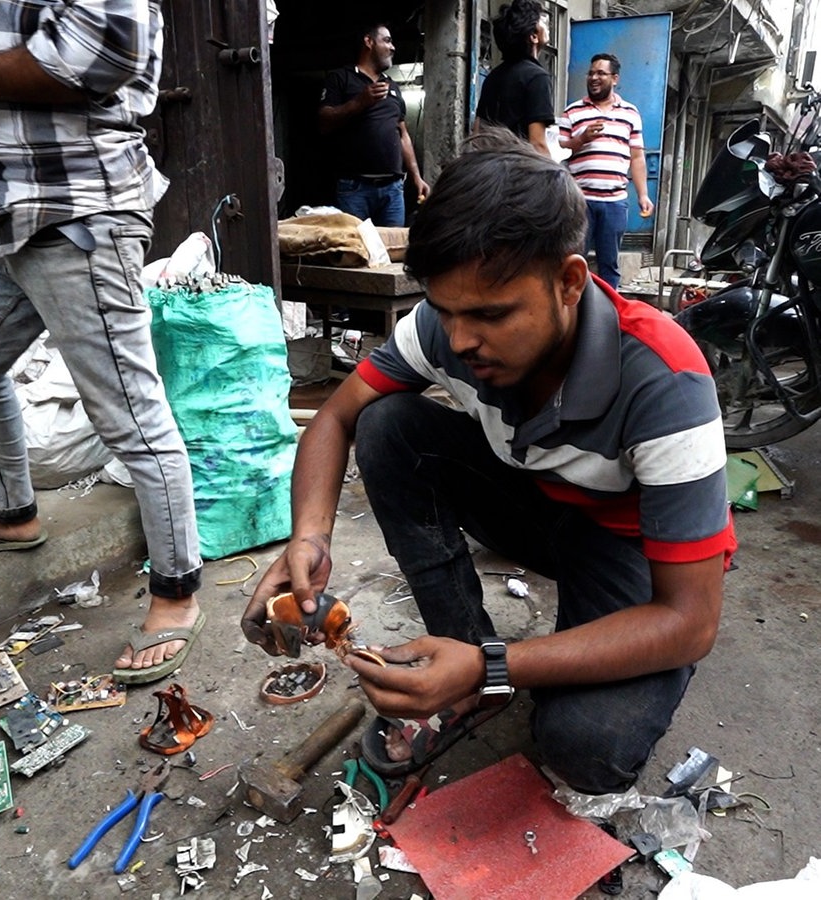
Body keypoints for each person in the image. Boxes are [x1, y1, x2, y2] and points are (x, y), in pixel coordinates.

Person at [242, 128, 736, 794]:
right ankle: (468, 668)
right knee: (388, 424)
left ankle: (481, 668)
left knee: (585, 748)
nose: (461, 340)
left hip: (626, 548)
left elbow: (691, 620)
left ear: (568, 282)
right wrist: (308, 536)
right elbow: (335, 415)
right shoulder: (449, 326)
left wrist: (493, 663)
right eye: (445, 311)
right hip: (537, 505)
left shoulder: (664, 381)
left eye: (491, 315)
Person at [0, 1, 204, 685]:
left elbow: (106, 46)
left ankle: (178, 588)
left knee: (130, 414)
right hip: (16, 208)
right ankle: (12, 514)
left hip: (81, 211)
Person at [318, 22, 430, 226]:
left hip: (393, 190)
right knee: (357, 252)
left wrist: (416, 177)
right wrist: (359, 102)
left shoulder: (393, 86)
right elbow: (324, 122)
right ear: (368, 42)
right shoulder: (341, 78)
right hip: (354, 189)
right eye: (387, 40)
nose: (393, 47)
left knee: (392, 251)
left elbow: (402, 134)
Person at [559, 53, 654, 290]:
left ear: (614, 78)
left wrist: (643, 195)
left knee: (609, 264)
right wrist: (581, 139)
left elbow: (637, 156)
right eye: (591, 73)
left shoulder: (630, 113)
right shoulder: (572, 112)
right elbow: (557, 150)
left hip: (615, 202)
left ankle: (609, 317)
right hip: (580, 201)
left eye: (601, 73)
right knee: (572, 261)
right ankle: (573, 316)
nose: (594, 77)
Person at [473, 0, 554, 158]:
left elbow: (477, 133)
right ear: (533, 36)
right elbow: (537, 144)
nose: (546, 24)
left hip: (490, 170)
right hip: (519, 172)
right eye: (541, 20)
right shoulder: (537, 77)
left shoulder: (493, 77)